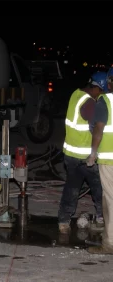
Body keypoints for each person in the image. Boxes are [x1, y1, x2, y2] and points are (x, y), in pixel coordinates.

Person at [57, 71, 107, 234]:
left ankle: (64, 221)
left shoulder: (76, 94)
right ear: (97, 88)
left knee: (71, 189)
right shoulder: (90, 104)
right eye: (102, 91)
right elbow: (97, 130)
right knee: (99, 189)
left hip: (71, 155)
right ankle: (102, 218)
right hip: (86, 158)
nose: (102, 94)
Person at [87, 68, 113, 254]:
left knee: (110, 201)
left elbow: (99, 129)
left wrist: (93, 153)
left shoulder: (106, 102)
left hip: (109, 160)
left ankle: (109, 244)